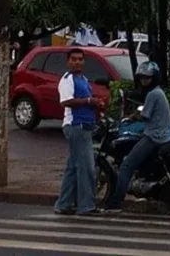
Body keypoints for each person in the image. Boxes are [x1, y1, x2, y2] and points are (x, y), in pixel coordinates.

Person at [103, 61, 170, 213]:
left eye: (147, 78)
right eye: (142, 78)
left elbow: (144, 115)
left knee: (126, 166)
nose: (144, 81)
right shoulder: (159, 92)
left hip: (154, 136)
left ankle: (115, 203)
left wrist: (130, 117)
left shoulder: (153, 94)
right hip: (163, 134)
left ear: (154, 78)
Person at [55, 48, 103, 216]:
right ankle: (86, 205)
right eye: (73, 59)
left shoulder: (83, 79)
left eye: (80, 59)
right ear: (68, 61)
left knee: (74, 167)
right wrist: (89, 101)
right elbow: (65, 102)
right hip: (76, 125)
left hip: (85, 125)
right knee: (86, 167)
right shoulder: (67, 80)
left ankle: (64, 203)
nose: (77, 62)